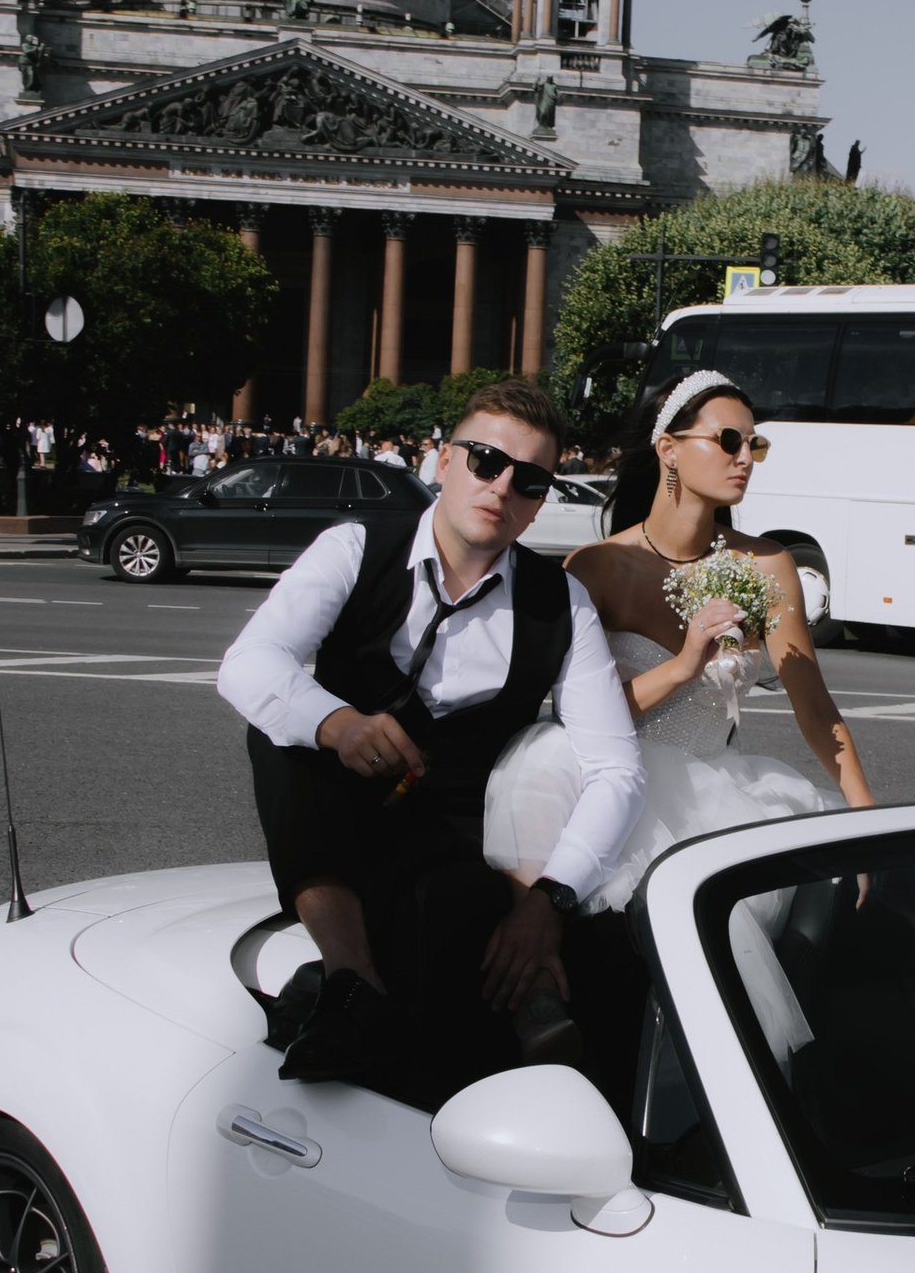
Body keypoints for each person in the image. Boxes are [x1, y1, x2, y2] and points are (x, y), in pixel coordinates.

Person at [217, 383, 643, 1102]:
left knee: (469, 937)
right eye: (485, 461)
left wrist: (548, 900)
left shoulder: (558, 599)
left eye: (529, 479)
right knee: (279, 734)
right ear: (443, 461)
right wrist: (340, 724)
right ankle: (352, 983)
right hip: (338, 805)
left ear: (540, 501)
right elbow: (248, 665)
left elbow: (615, 769)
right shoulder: (356, 546)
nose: (502, 486)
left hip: (457, 827)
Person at [520, 367, 871, 905]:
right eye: (728, 440)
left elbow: (814, 705)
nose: (745, 457)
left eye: (755, 443)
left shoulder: (768, 564)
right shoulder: (599, 567)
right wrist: (685, 663)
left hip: (720, 797)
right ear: (669, 449)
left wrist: (863, 814)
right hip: (609, 793)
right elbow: (584, 720)